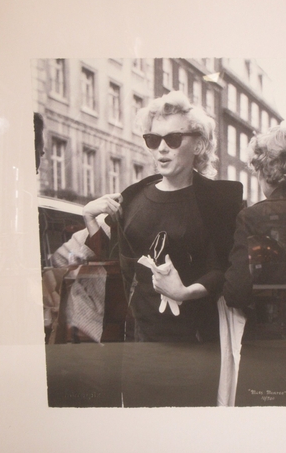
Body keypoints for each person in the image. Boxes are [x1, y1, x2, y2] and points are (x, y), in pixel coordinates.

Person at [76, 90, 243, 406]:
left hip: (196, 351)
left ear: (199, 145)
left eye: (173, 139)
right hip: (140, 351)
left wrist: (185, 292)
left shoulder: (217, 202)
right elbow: (116, 272)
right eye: (153, 140)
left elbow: (224, 269)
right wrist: (90, 219)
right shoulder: (134, 198)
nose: (162, 148)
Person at [218, 126, 286, 406]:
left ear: (266, 171)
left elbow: (236, 292)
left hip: (267, 343)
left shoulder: (253, 218)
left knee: (260, 423)